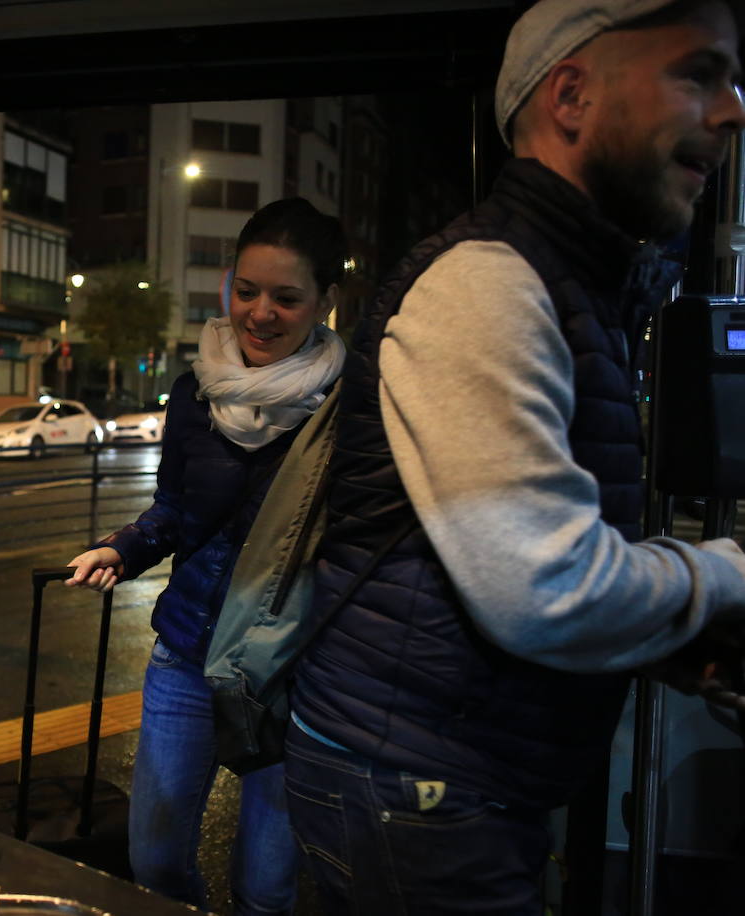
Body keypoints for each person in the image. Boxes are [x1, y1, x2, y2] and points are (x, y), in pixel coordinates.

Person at [283, 1, 745, 913]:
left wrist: (670, 640)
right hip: (419, 789)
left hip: (446, 777)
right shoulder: (487, 284)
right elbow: (544, 590)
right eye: (696, 73)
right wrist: (728, 574)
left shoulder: (568, 284)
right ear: (570, 95)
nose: (732, 108)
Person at [64, 198, 348, 916]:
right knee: (153, 858)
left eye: (286, 298)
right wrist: (120, 548)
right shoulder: (197, 392)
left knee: (266, 886)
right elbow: (175, 510)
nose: (260, 313)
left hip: (291, 672)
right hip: (187, 653)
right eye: (247, 291)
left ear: (324, 302)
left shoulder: (350, 406)